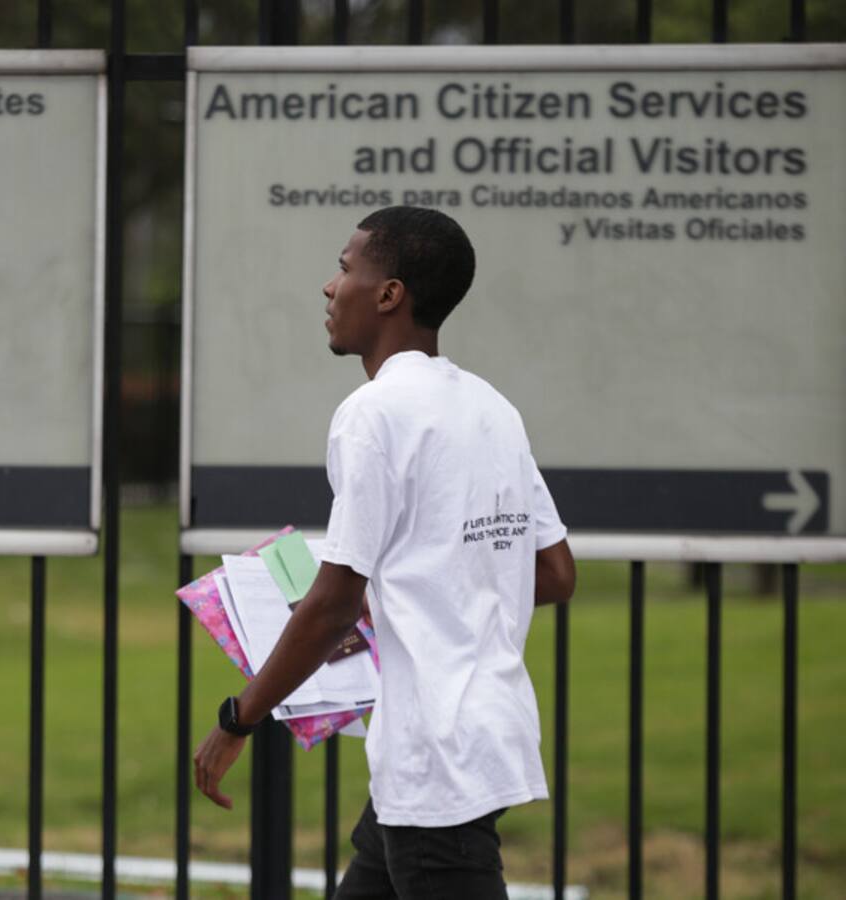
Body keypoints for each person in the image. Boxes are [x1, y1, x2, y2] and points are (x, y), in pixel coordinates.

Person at [193, 206, 576, 899]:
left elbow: (335, 601)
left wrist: (238, 720)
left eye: (344, 268)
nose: (329, 288)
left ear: (390, 293)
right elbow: (554, 572)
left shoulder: (373, 413)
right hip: (481, 736)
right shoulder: (493, 408)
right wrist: (416, 591)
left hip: (437, 756)